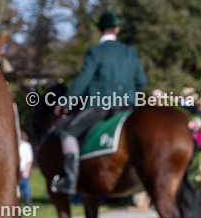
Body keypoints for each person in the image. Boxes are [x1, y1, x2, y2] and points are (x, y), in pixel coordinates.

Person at [51, 11, 147, 195]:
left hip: (101, 106)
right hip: (128, 106)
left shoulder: (96, 51)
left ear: (99, 29)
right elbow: (141, 80)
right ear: (117, 29)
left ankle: (70, 181)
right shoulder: (130, 51)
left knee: (67, 133)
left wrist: (66, 102)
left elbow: (83, 79)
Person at [19, 131, 33, 204]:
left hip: (23, 169)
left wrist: (26, 171)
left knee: (25, 187)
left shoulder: (26, 145)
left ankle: (28, 204)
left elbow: (29, 160)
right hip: (16, 170)